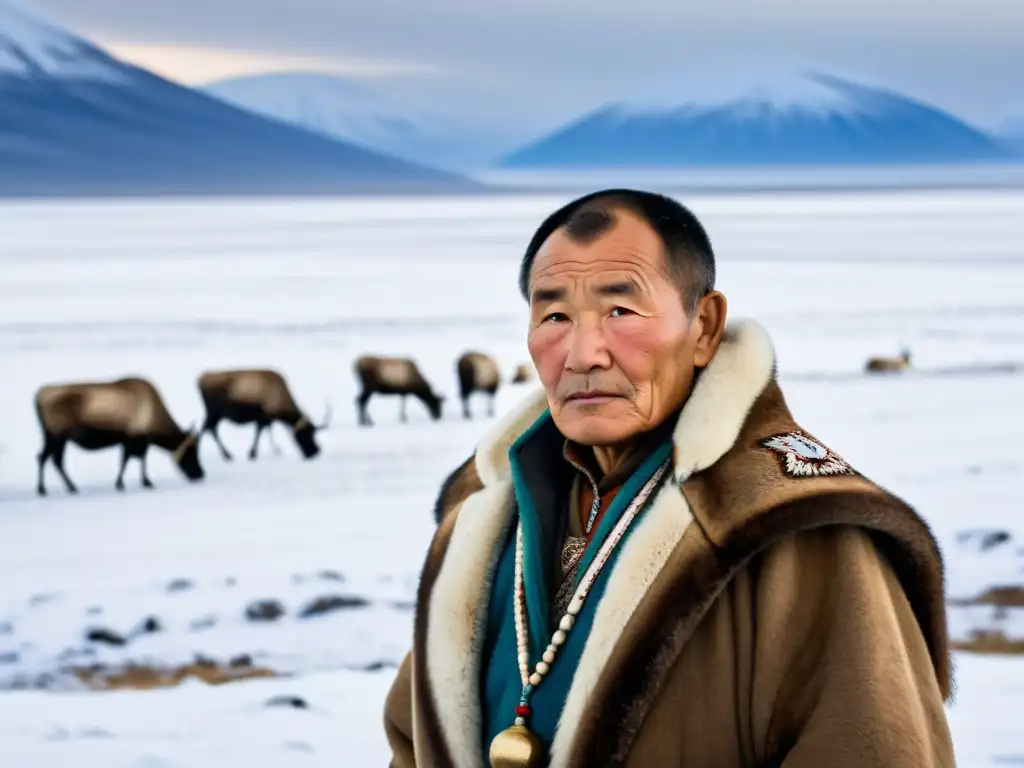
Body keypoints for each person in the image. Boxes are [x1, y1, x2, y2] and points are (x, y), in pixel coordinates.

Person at [384, 189, 954, 768]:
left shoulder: (799, 532)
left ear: (703, 327)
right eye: (553, 315)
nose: (582, 354)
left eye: (621, 312)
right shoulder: (484, 526)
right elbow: (412, 742)